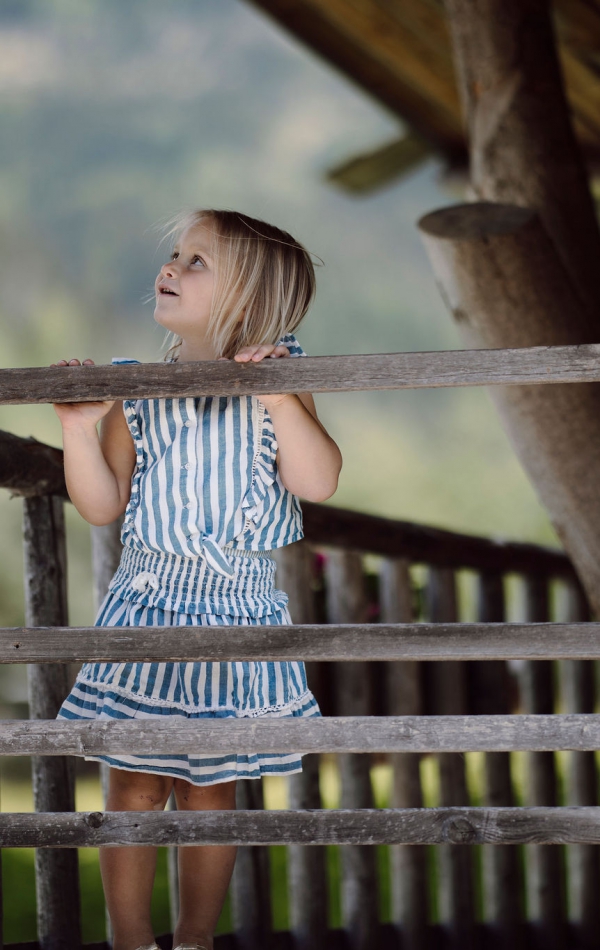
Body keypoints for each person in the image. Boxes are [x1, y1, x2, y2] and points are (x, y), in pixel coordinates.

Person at [52, 209, 342, 950]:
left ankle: (196, 939)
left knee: (211, 790)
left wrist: (278, 397)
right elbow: (102, 503)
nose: (172, 268)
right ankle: (128, 940)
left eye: (197, 262)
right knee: (134, 786)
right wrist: (79, 430)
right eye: (175, 256)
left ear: (251, 298)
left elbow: (319, 480)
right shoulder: (138, 387)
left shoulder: (285, 377)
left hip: (236, 608)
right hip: (145, 602)